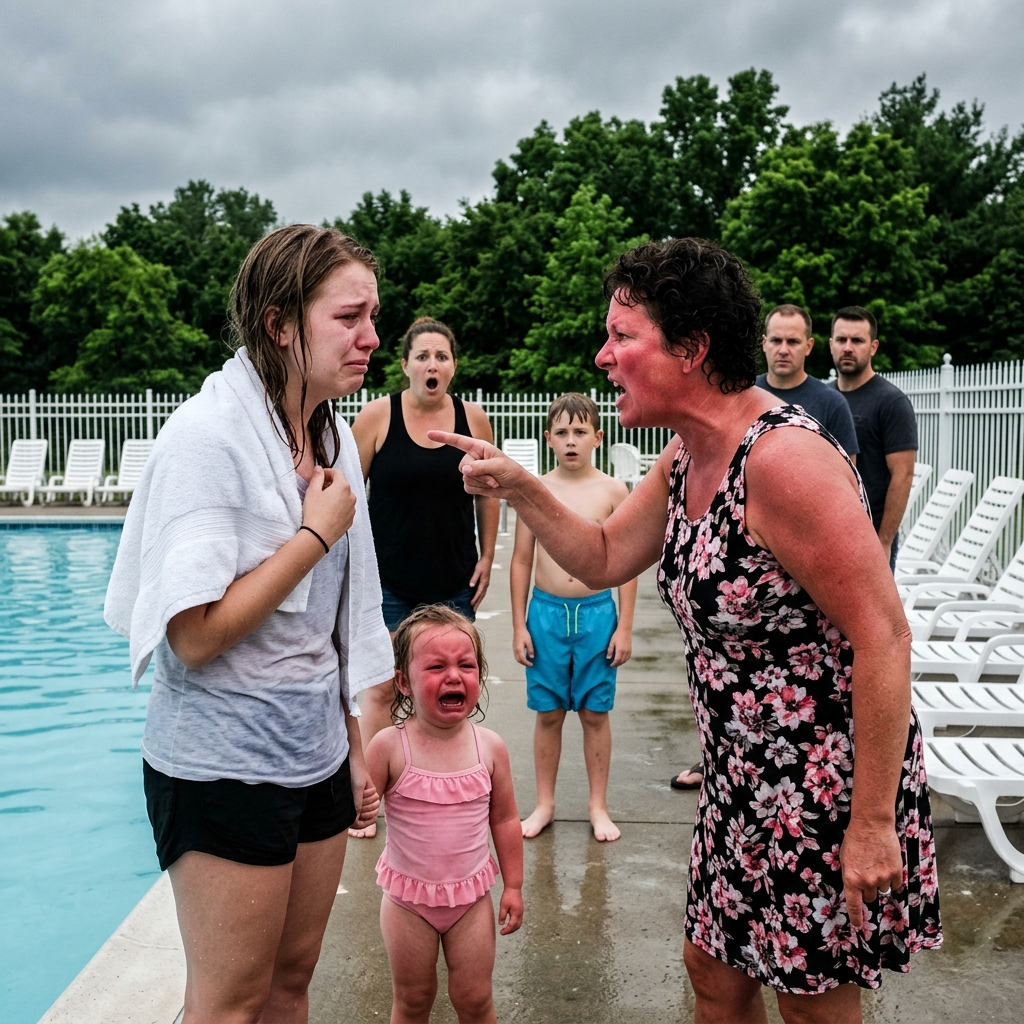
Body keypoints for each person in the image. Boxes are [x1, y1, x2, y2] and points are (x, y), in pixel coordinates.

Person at [430, 238, 941, 1024]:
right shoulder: (688, 453)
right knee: (711, 972)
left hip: (822, 791)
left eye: (623, 337)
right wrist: (522, 486)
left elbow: (885, 637)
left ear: (693, 349)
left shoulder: (785, 462)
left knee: (809, 1007)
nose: (603, 356)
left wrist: (871, 825)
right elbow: (601, 555)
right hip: (739, 782)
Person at [105, 224, 396, 1024]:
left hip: (311, 753)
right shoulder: (208, 441)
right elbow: (193, 637)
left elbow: (329, 627)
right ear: (279, 323)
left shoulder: (328, 432)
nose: (373, 337)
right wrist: (313, 536)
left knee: (291, 982)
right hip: (221, 767)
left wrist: (350, 745)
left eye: (374, 315)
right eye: (349, 317)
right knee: (229, 1002)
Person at [350, 317, 499, 838]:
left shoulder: (473, 419)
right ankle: (369, 802)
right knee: (382, 693)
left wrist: (487, 557)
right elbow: (346, 496)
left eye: (441, 356)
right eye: (423, 356)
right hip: (390, 583)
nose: (432, 365)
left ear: (453, 365)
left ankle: (444, 790)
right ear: (405, 364)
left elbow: (487, 490)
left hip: (453, 578)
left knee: (448, 692)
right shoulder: (375, 418)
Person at [365, 604, 524, 1024]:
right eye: (436, 666)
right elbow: (359, 805)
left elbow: (505, 820)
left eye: (466, 665)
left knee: (474, 1000)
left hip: (470, 900)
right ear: (403, 682)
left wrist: (513, 886)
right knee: (413, 1000)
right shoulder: (389, 746)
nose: (454, 675)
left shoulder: (489, 747)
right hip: (407, 902)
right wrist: (358, 808)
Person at [511, 393, 636, 842]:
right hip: (545, 616)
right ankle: (544, 803)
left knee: (594, 713)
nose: (570, 441)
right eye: (561, 432)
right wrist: (518, 625)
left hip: (596, 617)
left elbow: (625, 562)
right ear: (548, 439)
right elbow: (522, 561)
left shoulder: (612, 491)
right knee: (547, 714)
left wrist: (624, 626)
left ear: (597, 438)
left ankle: (597, 805)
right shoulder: (534, 490)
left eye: (580, 432)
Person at [828, 307, 918, 572]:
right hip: (827, 533)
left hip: (870, 536)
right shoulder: (824, 397)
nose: (847, 347)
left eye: (857, 341)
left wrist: (884, 541)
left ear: (873, 347)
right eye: (841, 340)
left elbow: (903, 475)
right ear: (830, 344)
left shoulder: (891, 401)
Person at [756, 304, 859, 459]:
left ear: (808, 346)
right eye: (776, 340)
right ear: (764, 344)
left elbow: (848, 477)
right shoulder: (743, 395)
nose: (783, 350)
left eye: (793, 342)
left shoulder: (832, 405)